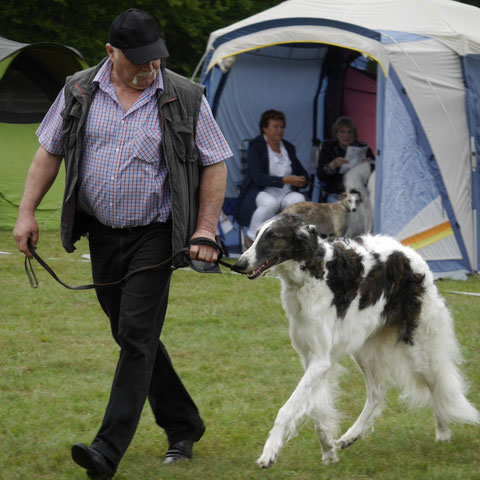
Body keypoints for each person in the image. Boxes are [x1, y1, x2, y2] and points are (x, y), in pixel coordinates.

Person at [13, 8, 231, 479]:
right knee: (133, 335)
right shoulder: (78, 90)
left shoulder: (184, 96)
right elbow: (49, 150)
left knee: (135, 337)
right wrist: (27, 212)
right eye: (138, 60)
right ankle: (184, 423)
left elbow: (215, 162)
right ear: (111, 52)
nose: (148, 68)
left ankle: (106, 451)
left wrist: (205, 230)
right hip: (102, 233)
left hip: (156, 233)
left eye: (154, 59)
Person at [235, 109, 309, 246]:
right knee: (270, 203)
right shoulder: (256, 146)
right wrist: (285, 180)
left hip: (286, 192)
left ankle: (288, 242)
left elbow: (302, 172)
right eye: (275, 127)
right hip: (261, 191)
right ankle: (251, 239)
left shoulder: (288, 147)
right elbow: (258, 178)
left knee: (299, 200)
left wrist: (302, 180)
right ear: (265, 128)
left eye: (282, 127)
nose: (279, 130)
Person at [317, 116, 375, 202]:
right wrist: (332, 165)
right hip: (337, 190)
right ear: (336, 134)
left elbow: (375, 174)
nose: (346, 135)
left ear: (354, 135)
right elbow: (320, 176)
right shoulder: (328, 148)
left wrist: (370, 165)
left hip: (360, 190)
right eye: (342, 132)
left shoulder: (363, 148)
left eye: (350, 132)